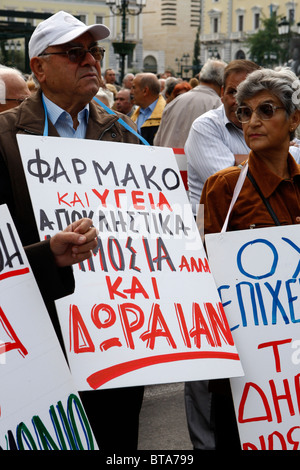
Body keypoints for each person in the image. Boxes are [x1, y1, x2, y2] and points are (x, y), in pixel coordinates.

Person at [0, 10, 143, 451]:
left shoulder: (127, 137)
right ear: (39, 68)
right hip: (41, 333)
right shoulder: (4, 138)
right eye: (74, 52)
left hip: (119, 334)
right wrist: (46, 255)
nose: (91, 61)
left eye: (94, 51)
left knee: (117, 442)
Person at [200, 66, 300, 449]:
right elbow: (210, 271)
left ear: (294, 119)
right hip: (248, 365)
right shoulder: (224, 186)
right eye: (244, 111)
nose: (252, 121)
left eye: (266, 110)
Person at [185, 60, 261, 217]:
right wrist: (272, 158)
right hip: (204, 224)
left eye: (246, 93)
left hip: (251, 222)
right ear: (222, 93)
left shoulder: (268, 124)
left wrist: (237, 160)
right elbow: (227, 183)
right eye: (232, 92)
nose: (237, 101)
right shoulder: (204, 126)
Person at [153, 59, 226, 150]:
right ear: (223, 81)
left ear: (199, 76)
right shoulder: (220, 107)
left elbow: (157, 142)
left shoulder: (173, 103)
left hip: (168, 161)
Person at [131, 72, 166, 145]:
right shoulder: (135, 113)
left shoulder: (166, 114)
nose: (131, 92)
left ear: (145, 91)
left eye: (134, 87)